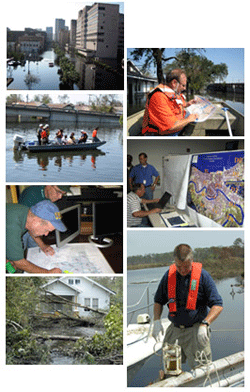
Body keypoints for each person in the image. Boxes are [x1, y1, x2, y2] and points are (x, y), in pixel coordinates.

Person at [152, 244, 223, 371]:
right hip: (174, 330)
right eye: (179, 267)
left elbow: (217, 305)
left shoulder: (203, 276)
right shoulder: (168, 276)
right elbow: (158, 301)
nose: (183, 270)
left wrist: (205, 324)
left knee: (202, 370)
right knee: (170, 369)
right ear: (174, 262)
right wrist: (156, 321)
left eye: (186, 266)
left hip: (196, 331)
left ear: (192, 261)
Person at [6, 200, 67, 273]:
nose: (46, 234)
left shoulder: (27, 214)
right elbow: (19, 263)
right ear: (36, 220)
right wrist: (47, 273)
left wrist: (42, 245)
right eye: (46, 230)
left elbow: (30, 228)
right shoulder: (12, 226)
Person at [142, 69, 199, 136]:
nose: (185, 88)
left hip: (172, 124)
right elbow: (170, 126)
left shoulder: (175, 92)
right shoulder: (159, 96)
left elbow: (179, 105)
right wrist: (188, 120)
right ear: (174, 83)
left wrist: (188, 104)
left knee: (195, 115)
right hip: (160, 133)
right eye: (183, 85)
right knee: (192, 118)